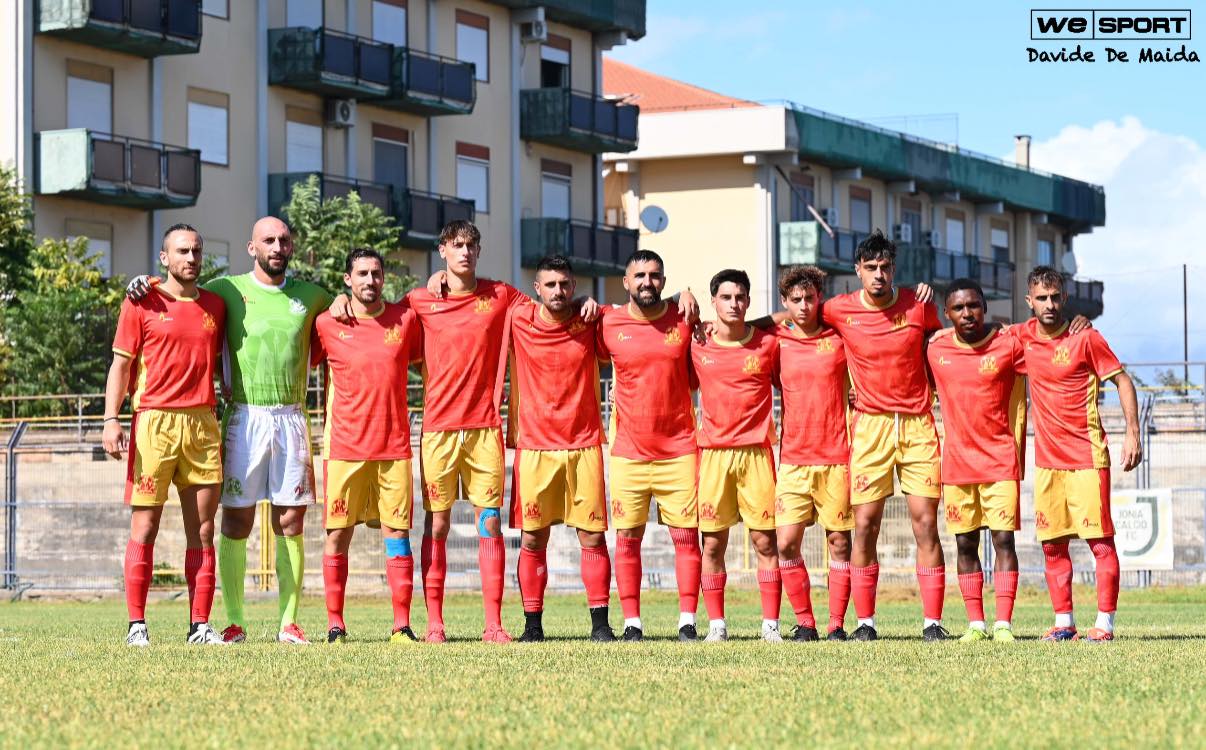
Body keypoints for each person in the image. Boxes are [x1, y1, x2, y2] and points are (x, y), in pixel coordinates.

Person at [333, 220, 596, 643]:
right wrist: (339, 300)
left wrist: (584, 299)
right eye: (457, 245)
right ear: (442, 251)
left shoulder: (500, 296)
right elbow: (379, 316)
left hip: (484, 431)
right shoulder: (419, 301)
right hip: (438, 431)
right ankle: (434, 623)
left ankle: (493, 623)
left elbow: (550, 304)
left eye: (471, 245)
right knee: (436, 525)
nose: (465, 252)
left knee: (489, 525)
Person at [127, 217, 333, 644]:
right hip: (242, 416)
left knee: (291, 521)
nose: (277, 246)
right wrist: (144, 280)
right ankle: (234, 619)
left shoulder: (313, 296)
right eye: (268, 240)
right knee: (234, 522)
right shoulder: (225, 291)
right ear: (251, 247)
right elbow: (178, 289)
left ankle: (288, 623)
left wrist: (348, 302)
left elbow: (346, 319)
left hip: (291, 418)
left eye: (284, 240)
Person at [820, 230, 947, 641]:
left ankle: (932, 623)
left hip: (917, 424)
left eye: (885, 267)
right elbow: (796, 315)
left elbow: (943, 344)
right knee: (865, 525)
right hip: (870, 426)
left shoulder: (919, 304)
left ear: (895, 269)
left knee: (925, 522)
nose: (878, 274)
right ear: (858, 270)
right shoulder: (838, 309)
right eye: (871, 267)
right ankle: (865, 623)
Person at [104, 224, 226, 646]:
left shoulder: (217, 303)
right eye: (181, 251)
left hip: (202, 424)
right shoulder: (141, 300)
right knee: (146, 525)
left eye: (196, 250)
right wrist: (110, 419)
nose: (190, 258)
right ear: (164, 258)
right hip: (153, 423)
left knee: (205, 530)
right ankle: (137, 625)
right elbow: (120, 367)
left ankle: (199, 626)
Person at [1015, 266, 1142, 642]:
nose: (1049, 304)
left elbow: (1122, 380)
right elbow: (983, 340)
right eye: (1042, 298)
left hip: (1087, 456)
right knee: (1053, 545)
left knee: (1100, 542)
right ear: (1030, 302)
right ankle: (1063, 622)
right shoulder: (1022, 337)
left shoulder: (1086, 337)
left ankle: (1104, 624)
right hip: (1047, 462)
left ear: (1065, 298)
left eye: (1056, 297)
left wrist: (1132, 432)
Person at [310, 249, 423, 644]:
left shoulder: (406, 320)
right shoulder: (327, 323)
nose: (370, 280)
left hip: (393, 449)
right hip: (344, 448)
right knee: (338, 534)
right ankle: (335, 624)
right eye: (361, 274)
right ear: (347, 279)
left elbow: (430, 358)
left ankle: (401, 626)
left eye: (376, 273)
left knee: (398, 534)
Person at [596, 250, 703, 642]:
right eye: (639, 276)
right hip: (628, 452)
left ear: (664, 280)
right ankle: (632, 624)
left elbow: (696, 377)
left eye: (655, 276)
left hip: (679, 449)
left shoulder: (683, 320)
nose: (647, 282)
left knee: (687, 539)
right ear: (626, 282)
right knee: (627, 539)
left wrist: (688, 292)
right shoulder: (607, 321)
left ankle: (687, 620)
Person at [507, 256, 614, 642]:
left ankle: (600, 626)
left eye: (565, 284)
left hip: (583, 444)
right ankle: (532, 627)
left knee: (592, 537)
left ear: (574, 285)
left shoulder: (589, 321)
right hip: (534, 448)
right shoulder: (516, 318)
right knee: (534, 539)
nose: (558, 292)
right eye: (550, 285)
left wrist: (597, 305)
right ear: (537, 288)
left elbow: (629, 313)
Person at [927, 279, 1026, 642]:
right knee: (965, 543)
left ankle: (1003, 624)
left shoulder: (1008, 345)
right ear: (947, 313)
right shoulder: (935, 349)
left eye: (974, 305)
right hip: (956, 464)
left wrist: (1079, 324)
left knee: (1003, 540)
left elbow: (1046, 346)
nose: (967, 313)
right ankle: (975, 625)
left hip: (1000, 459)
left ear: (985, 307)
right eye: (959, 308)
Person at [690, 269, 781, 643]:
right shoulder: (697, 342)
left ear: (748, 301)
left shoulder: (767, 345)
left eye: (740, 297)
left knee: (765, 541)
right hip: (713, 455)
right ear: (714, 301)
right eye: (726, 298)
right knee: (712, 543)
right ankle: (716, 626)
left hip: (757, 454)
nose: (734, 304)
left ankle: (771, 626)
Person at [772, 265, 854, 642]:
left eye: (810, 298)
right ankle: (805, 622)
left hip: (836, 456)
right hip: (792, 459)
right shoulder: (776, 340)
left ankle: (836, 624)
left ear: (819, 299)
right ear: (785, 303)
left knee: (838, 541)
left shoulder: (839, 338)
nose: (804, 306)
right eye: (796, 300)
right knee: (786, 542)